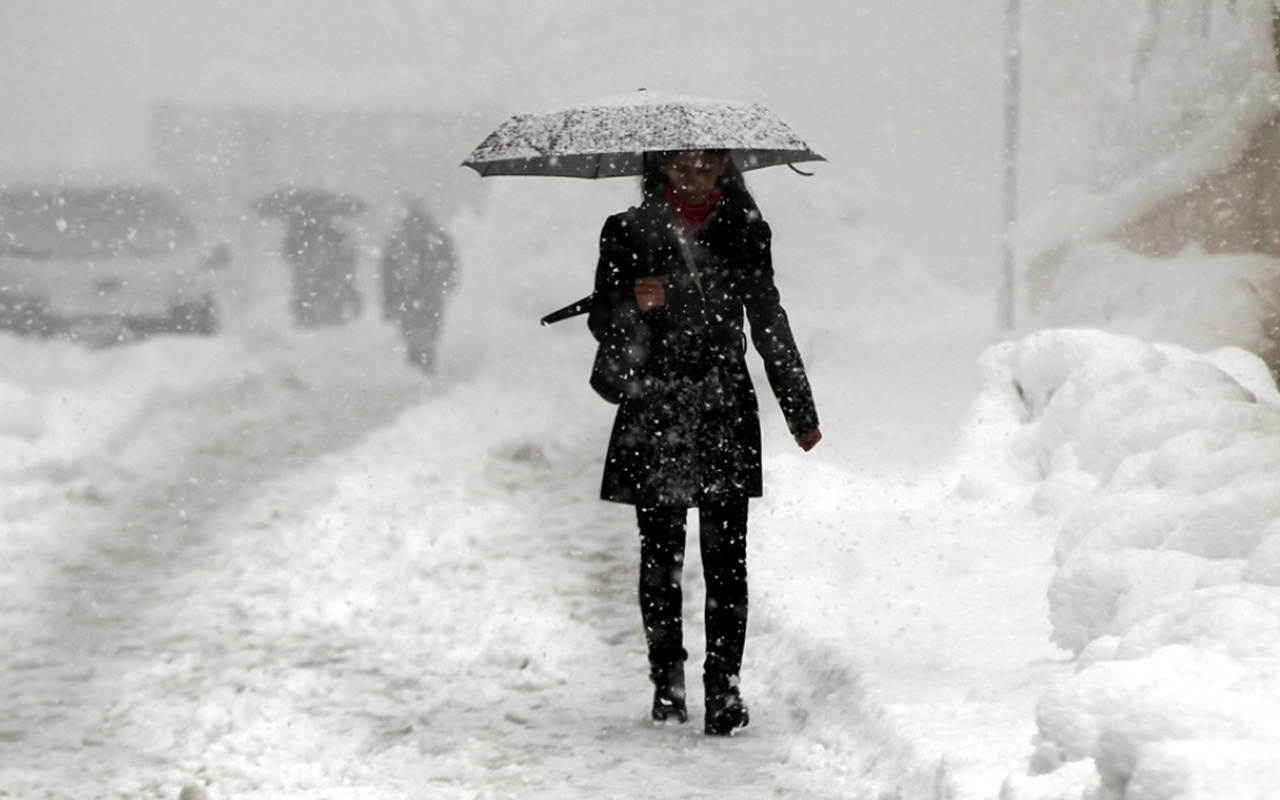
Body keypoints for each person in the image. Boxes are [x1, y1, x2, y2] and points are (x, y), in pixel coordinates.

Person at [588, 149, 822, 736]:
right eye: (680, 167)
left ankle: (724, 690)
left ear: (724, 170)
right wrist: (634, 306)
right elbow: (602, 318)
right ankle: (666, 685)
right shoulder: (627, 231)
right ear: (660, 171)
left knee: (726, 562)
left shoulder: (746, 230)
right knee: (660, 559)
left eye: (704, 167)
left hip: (722, 403)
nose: (691, 177)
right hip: (655, 402)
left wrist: (798, 407)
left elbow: (767, 316)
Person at [380, 199, 458, 373]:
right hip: (427, 295)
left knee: (415, 334)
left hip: (410, 294)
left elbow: (387, 273)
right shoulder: (437, 237)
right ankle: (423, 367)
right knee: (427, 334)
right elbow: (450, 263)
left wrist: (389, 300)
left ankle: (417, 368)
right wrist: (446, 282)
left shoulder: (399, 240)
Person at [281, 213, 361, 328]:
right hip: (327, 283)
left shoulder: (304, 239)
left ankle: (312, 319)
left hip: (319, 283)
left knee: (317, 300)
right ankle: (321, 320)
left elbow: (291, 258)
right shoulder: (335, 240)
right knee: (326, 302)